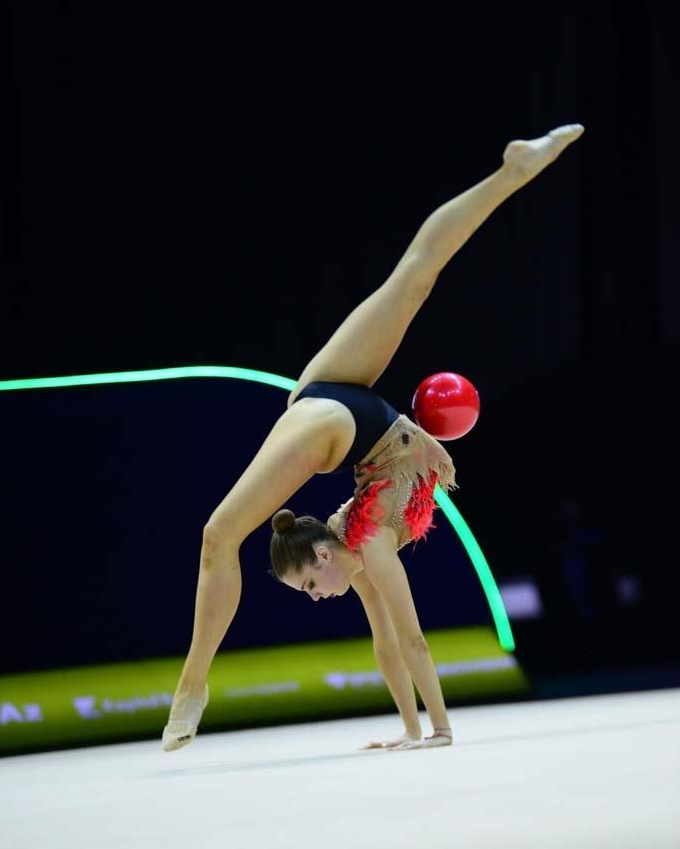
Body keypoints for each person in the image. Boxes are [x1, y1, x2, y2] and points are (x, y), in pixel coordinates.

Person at [162, 123, 585, 753]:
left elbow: (406, 639)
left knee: (219, 535)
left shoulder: (363, 542)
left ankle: (191, 687)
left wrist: (436, 732)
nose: (313, 598)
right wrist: (411, 733)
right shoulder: (357, 550)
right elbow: (390, 642)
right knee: (413, 277)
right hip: (349, 409)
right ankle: (512, 172)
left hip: (335, 424)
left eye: (306, 584)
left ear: (323, 555)